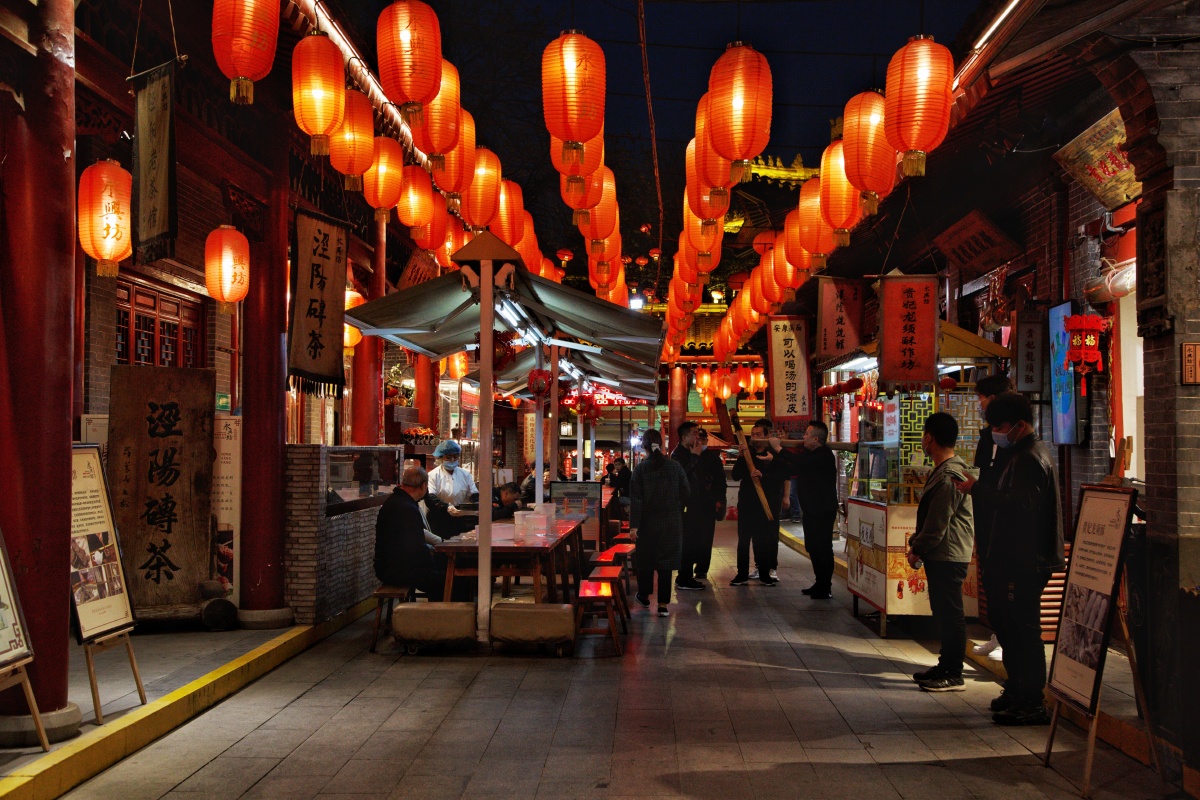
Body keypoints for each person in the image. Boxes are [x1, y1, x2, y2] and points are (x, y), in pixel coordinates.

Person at [953, 391, 1064, 725]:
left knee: (1023, 629)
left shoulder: (1031, 456)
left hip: (1024, 560)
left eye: (999, 426)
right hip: (1008, 558)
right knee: (1008, 625)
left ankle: (1031, 699)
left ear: (1019, 424)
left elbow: (1020, 507)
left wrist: (976, 489)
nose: (996, 433)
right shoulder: (1016, 453)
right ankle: (1016, 689)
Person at [908, 413, 975, 692]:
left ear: (929, 438)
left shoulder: (949, 475)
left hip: (948, 554)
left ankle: (953, 672)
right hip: (944, 553)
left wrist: (917, 548)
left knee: (950, 613)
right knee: (944, 612)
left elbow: (937, 525)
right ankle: (945, 664)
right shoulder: (946, 469)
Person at [970, 372, 1016, 663]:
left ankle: (1008, 640)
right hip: (987, 515)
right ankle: (999, 636)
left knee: (1005, 585)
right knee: (991, 579)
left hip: (1005, 523)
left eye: (982, 399)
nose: (980, 404)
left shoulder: (1016, 441)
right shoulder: (989, 434)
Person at [628, 428, 692, 617]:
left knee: (646, 560)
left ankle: (644, 596)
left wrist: (634, 526)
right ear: (662, 444)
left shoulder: (640, 469)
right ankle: (663, 605)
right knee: (666, 562)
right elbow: (687, 492)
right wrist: (676, 505)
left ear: (644, 446)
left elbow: (636, 500)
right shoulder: (675, 466)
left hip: (647, 523)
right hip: (672, 521)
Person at [730, 418, 794, 587]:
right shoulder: (747, 452)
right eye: (753, 434)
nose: (755, 437)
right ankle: (741, 574)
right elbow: (736, 475)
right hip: (747, 502)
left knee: (764, 539)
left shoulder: (774, 455)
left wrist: (763, 476)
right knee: (744, 539)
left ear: (767, 435)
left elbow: (783, 475)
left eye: (758, 434)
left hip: (767, 503)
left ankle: (765, 573)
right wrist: (740, 457)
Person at [374, 467, 446, 600]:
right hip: (397, 570)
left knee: (442, 569)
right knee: (451, 580)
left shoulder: (399, 501)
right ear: (424, 486)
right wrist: (433, 559)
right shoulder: (406, 508)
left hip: (391, 566)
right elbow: (415, 548)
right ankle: (441, 617)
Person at [793, 419, 840, 599]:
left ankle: (825, 586)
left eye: (806, 434)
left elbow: (800, 464)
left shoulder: (824, 455)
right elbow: (798, 461)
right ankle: (819, 582)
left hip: (822, 510)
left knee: (822, 547)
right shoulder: (809, 454)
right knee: (812, 546)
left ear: (816, 439)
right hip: (811, 510)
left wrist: (779, 450)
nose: (803, 437)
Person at [671, 421, 706, 590]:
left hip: (696, 505)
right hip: (685, 507)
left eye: (698, 433)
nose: (697, 437)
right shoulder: (677, 455)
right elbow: (682, 477)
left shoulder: (693, 452)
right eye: (694, 433)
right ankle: (683, 577)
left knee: (695, 542)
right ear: (684, 437)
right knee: (687, 542)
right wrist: (695, 457)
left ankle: (687, 576)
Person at [690, 428, 727, 581]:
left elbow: (720, 482)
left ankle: (702, 568)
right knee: (691, 536)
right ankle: (688, 563)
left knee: (706, 536)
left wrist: (720, 501)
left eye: (701, 438)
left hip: (708, 502)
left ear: (706, 440)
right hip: (691, 502)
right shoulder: (687, 455)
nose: (698, 441)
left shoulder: (713, 458)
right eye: (695, 438)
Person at [428, 440, 479, 507]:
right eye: (448, 457)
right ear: (440, 457)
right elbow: (431, 496)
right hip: (439, 512)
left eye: (455, 457)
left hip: (460, 513)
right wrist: (446, 507)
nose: (452, 460)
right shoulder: (433, 475)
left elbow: (473, 494)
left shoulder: (465, 474)